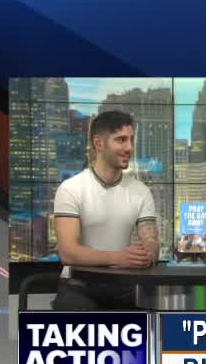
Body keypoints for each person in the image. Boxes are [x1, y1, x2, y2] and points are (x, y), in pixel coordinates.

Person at [51, 110, 159, 310]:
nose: (129, 147)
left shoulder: (141, 191)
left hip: (124, 287)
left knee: (156, 316)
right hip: (78, 287)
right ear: (99, 144)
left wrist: (146, 254)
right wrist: (120, 258)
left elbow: (151, 243)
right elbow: (68, 253)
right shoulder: (71, 189)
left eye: (131, 140)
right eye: (121, 140)